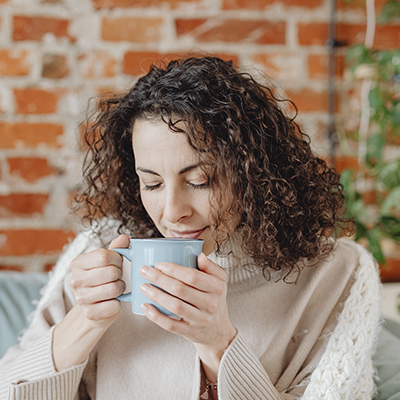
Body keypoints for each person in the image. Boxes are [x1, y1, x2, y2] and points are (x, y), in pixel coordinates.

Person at [0, 56, 381, 400]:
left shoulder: (334, 274)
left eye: (200, 180)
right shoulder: (103, 250)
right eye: (151, 183)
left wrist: (218, 343)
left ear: (254, 173)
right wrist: (85, 319)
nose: (172, 212)